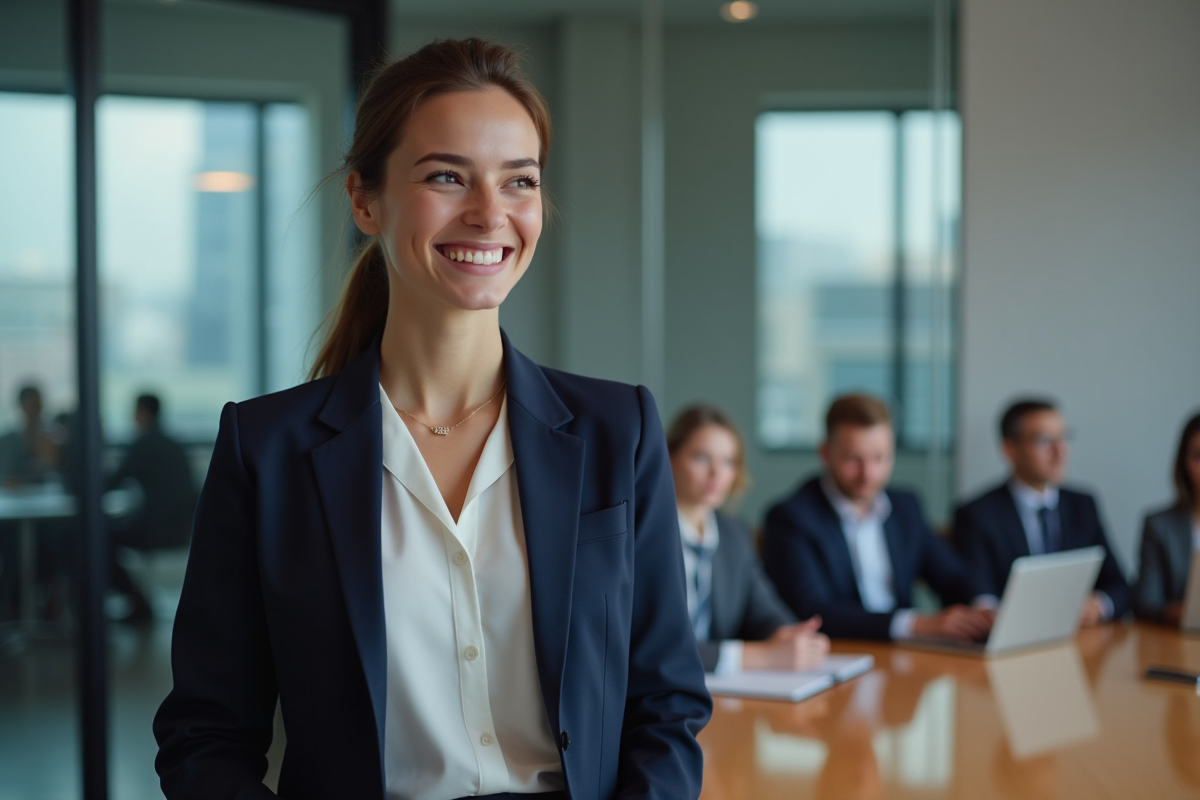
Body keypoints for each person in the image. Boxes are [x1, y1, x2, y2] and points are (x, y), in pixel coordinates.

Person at [153, 39, 710, 800]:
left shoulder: (620, 429)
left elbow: (666, 705)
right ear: (364, 199)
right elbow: (206, 732)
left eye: (520, 181)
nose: (490, 213)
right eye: (447, 176)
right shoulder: (266, 450)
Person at [762, 393, 992, 642]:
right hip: (840, 653)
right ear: (826, 452)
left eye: (880, 458)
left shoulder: (906, 507)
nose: (868, 474)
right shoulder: (791, 518)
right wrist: (916, 625)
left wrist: (983, 606)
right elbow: (813, 611)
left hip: (906, 656)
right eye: (853, 459)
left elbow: (952, 575)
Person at [666, 404, 829, 673]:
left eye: (728, 462)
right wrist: (757, 657)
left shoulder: (734, 534)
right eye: (701, 458)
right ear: (670, 457)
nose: (716, 474)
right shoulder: (641, 536)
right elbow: (652, 645)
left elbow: (763, 609)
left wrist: (789, 637)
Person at [953, 398, 1131, 625]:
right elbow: (976, 593)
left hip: (1080, 639)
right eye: (1044, 440)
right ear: (1010, 449)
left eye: (1064, 438)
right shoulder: (977, 514)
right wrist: (991, 613)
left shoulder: (1083, 505)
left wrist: (1098, 604)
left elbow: (1119, 586)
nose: (1060, 451)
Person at [106, 393, 197, 624]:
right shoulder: (173, 442)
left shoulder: (144, 443)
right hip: (182, 527)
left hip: (158, 527)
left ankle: (137, 601)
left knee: (99, 538)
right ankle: (136, 599)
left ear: (143, 412)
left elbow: (113, 481)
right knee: (106, 532)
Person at [1134, 411, 1200, 625]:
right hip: (1180, 642)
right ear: (1183, 462)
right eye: (1198, 456)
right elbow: (1146, 602)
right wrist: (1182, 612)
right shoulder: (1159, 525)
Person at [0, 384, 60, 487]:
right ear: (22, 405)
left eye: (37, 404)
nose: (35, 408)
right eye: (31, 403)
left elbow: (52, 468)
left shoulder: (51, 438)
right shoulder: (7, 441)